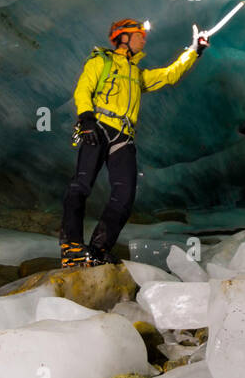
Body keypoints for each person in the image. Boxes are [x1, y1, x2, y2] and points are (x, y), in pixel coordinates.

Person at [59, 17, 208, 267]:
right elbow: (84, 88)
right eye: (139, 34)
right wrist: (86, 118)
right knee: (81, 185)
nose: (144, 38)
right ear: (124, 37)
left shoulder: (136, 74)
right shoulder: (102, 61)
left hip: (124, 135)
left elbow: (169, 75)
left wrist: (194, 51)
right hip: (98, 126)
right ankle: (71, 247)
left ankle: (97, 249)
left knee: (125, 195)